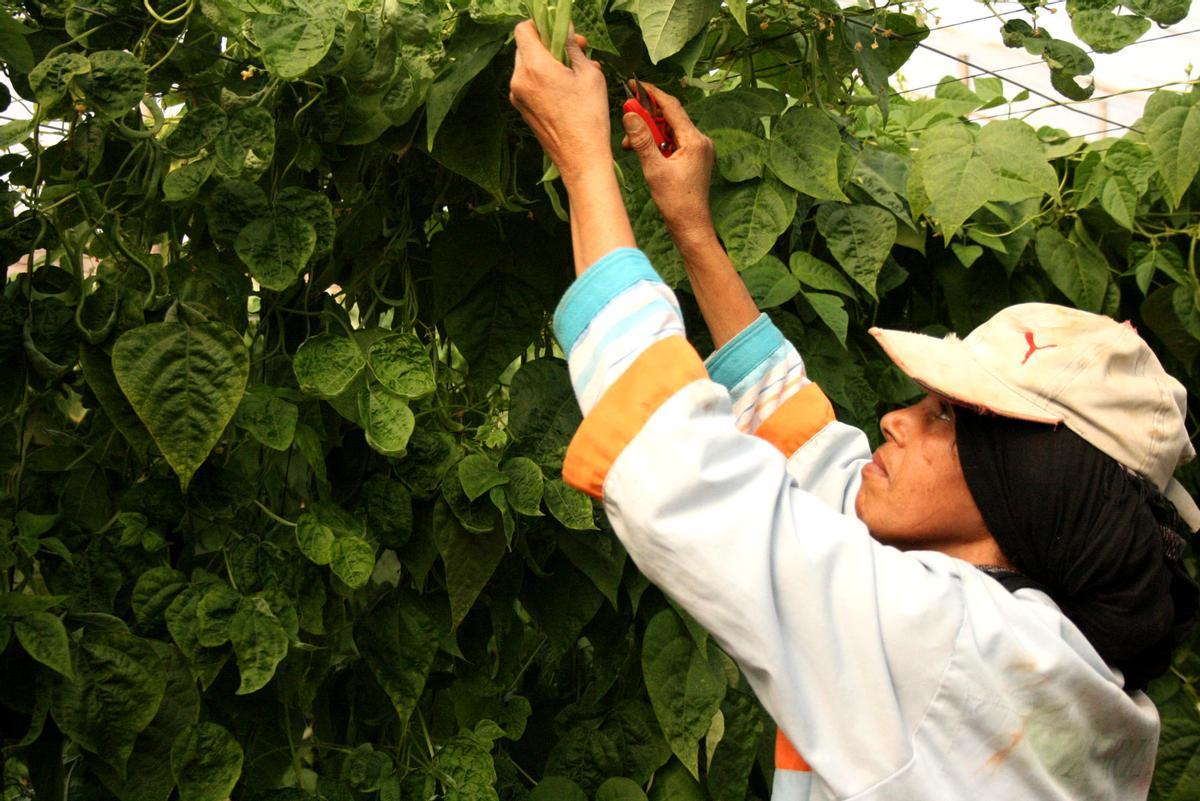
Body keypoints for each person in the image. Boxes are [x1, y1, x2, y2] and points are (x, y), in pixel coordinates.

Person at [508, 21, 1200, 801]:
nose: (898, 420)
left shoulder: (955, 649)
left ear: (1031, 484)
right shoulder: (1044, 652)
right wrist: (693, 230)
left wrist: (584, 164)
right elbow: (822, 471)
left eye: (946, 415)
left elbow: (684, 477)